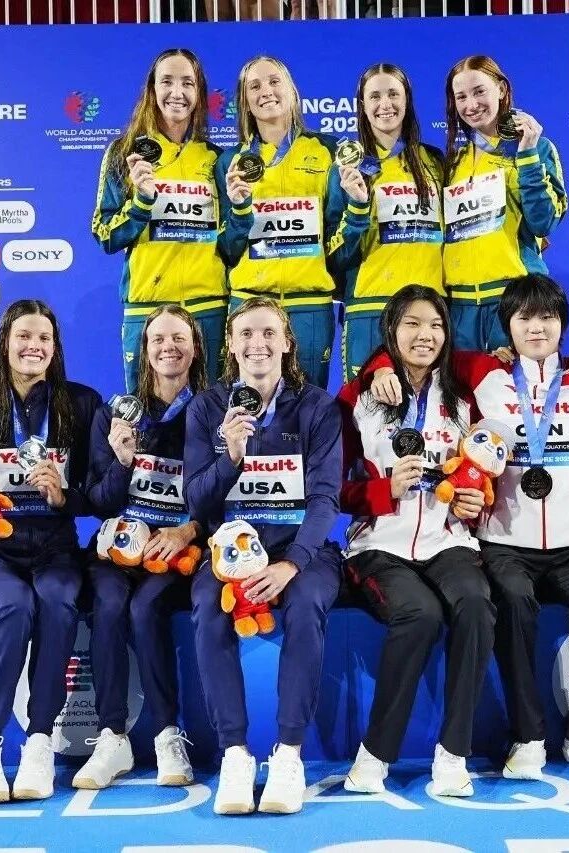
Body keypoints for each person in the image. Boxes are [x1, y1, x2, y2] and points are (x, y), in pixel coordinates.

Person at [366, 274, 569, 779]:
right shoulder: (482, 372)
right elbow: (419, 354)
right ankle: (527, 736)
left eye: (548, 317)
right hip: (505, 538)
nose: (537, 327)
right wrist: (381, 363)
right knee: (511, 602)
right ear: (506, 327)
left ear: (563, 325)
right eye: (525, 318)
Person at [338, 285, 499, 796]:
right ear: (391, 331)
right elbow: (334, 490)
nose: (425, 334)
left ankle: (454, 753)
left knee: (475, 604)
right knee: (421, 614)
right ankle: (375, 753)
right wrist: (386, 489)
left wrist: (479, 502)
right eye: (412, 323)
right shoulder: (356, 398)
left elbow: (483, 472)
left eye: (435, 324)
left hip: (447, 538)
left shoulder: (464, 395)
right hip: (379, 544)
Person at [185, 297, 342, 815]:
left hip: (302, 551)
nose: (258, 344)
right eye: (246, 334)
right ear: (230, 345)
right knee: (209, 608)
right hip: (230, 553)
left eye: (269, 333)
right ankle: (234, 754)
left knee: (306, 604)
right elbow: (197, 500)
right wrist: (229, 455)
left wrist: (292, 562)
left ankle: (289, 754)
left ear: (288, 342)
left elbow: (325, 499)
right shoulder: (207, 408)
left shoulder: (317, 406)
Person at [0, 300, 101, 805]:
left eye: (44, 339)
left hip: (54, 547)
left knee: (57, 602)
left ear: (55, 349)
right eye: (23, 337)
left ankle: (39, 741)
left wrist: (65, 496)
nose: (33, 347)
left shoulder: (81, 404)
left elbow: (98, 490)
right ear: (4, 344)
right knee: (12, 606)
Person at [74, 306, 206, 790]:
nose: (168, 347)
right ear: (144, 350)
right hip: (117, 547)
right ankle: (112, 738)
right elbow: (97, 499)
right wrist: (124, 461)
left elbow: (221, 495)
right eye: (158, 340)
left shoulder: (210, 412)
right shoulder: (117, 412)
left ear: (195, 347)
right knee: (109, 604)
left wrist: (188, 531)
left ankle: (169, 733)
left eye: (179, 338)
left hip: (175, 550)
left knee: (146, 607)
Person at [92, 48, 227, 391]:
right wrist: (140, 202)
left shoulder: (217, 158)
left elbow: (232, 236)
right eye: (167, 82)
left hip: (209, 306)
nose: (177, 93)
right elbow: (105, 233)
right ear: (152, 90)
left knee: (211, 420)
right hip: (147, 309)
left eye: (187, 83)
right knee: (146, 422)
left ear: (199, 94)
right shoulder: (125, 153)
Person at [215, 55, 353, 388]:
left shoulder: (328, 150)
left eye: (275, 81)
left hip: (310, 305)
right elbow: (227, 248)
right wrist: (240, 209)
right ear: (245, 101)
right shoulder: (230, 162)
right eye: (255, 86)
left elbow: (337, 231)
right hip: (250, 302)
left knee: (309, 406)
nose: (266, 91)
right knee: (248, 407)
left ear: (291, 90)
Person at [328, 65, 445, 382]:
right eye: (374, 96)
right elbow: (334, 257)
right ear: (362, 106)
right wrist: (357, 208)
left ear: (407, 100)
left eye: (393, 93)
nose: (385, 104)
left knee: (431, 414)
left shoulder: (436, 162)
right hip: (369, 309)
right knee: (366, 417)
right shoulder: (345, 168)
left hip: (428, 310)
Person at [443, 56, 567, 352]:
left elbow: (544, 222)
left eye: (479, 91)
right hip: (460, 308)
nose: (471, 104)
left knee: (518, 397)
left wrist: (526, 155)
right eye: (461, 97)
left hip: (515, 300)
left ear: (500, 89)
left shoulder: (536, 147)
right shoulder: (453, 162)